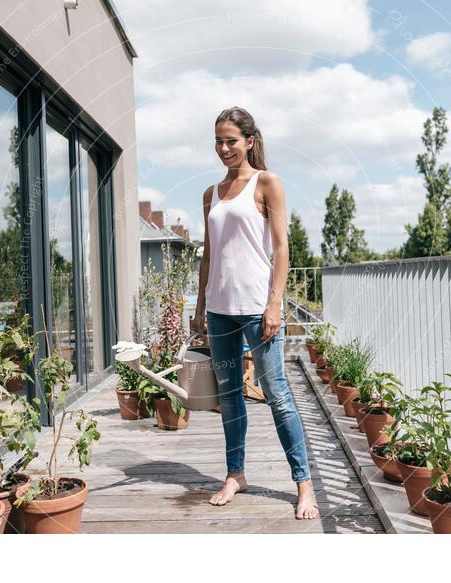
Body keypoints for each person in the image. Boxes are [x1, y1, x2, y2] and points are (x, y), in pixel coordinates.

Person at [191, 106, 319, 520]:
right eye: (218, 141)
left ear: (249, 141)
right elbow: (209, 256)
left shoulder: (268, 183)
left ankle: (303, 485)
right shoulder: (211, 194)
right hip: (220, 311)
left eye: (231, 140)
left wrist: (274, 303)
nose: (224, 148)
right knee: (229, 398)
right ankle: (235, 474)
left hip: (256, 309)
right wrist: (199, 307)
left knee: (277, 394)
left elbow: (282, 247)